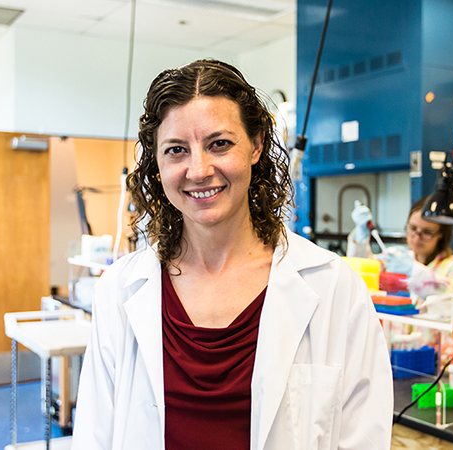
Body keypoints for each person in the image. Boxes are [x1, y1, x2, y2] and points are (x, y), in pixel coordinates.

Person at [71, 59, 393, 450]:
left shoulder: (334, 289)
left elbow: (363, 438)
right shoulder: (119, 291)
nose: (198, 169)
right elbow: (94, 436)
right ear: (156, 163)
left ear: (257, 144)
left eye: (219, 144)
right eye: (176, 150)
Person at [348, 196, 453, 300]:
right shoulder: (395, 258)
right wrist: (360, 239)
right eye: (413, 228)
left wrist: (414, 271)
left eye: (427, 232)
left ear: (441, 235)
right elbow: (361, 273)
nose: (417, 237)